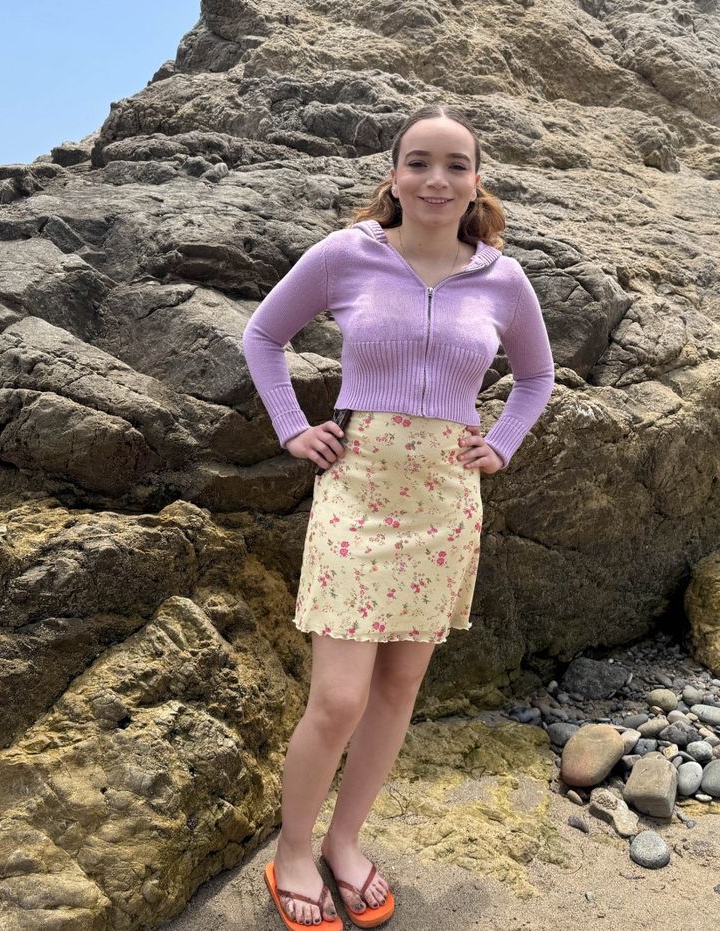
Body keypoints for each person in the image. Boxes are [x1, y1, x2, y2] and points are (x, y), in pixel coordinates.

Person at [241, 105, 557, 929]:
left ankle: (345, 841)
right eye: (419, 162)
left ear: (476, 181)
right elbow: (263, 336)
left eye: (455, 165)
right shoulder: (346, 254)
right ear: (393, 175)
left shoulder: (503, 278)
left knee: (399, 685)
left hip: (445, 496)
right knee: (338, 697)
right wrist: (291, 426)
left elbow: (537, 377)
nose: (436, 179)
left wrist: (502, 443)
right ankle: (294, 849)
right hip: (359, 485)